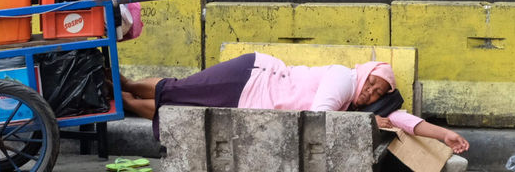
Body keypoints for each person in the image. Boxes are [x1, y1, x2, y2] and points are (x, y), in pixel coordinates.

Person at [120, 52, 469, 170]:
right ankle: (123, 82)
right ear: (365, 73)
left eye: (376, 93)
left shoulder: (357, 105)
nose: (368, 93)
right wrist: (364, 119)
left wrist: (444, 135)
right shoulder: (343, 80)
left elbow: (404, 121)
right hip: (250, 79)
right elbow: (319, 115)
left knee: (180, 114)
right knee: (178, 91)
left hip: (251, 101)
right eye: (371, 83)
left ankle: (123, 102)